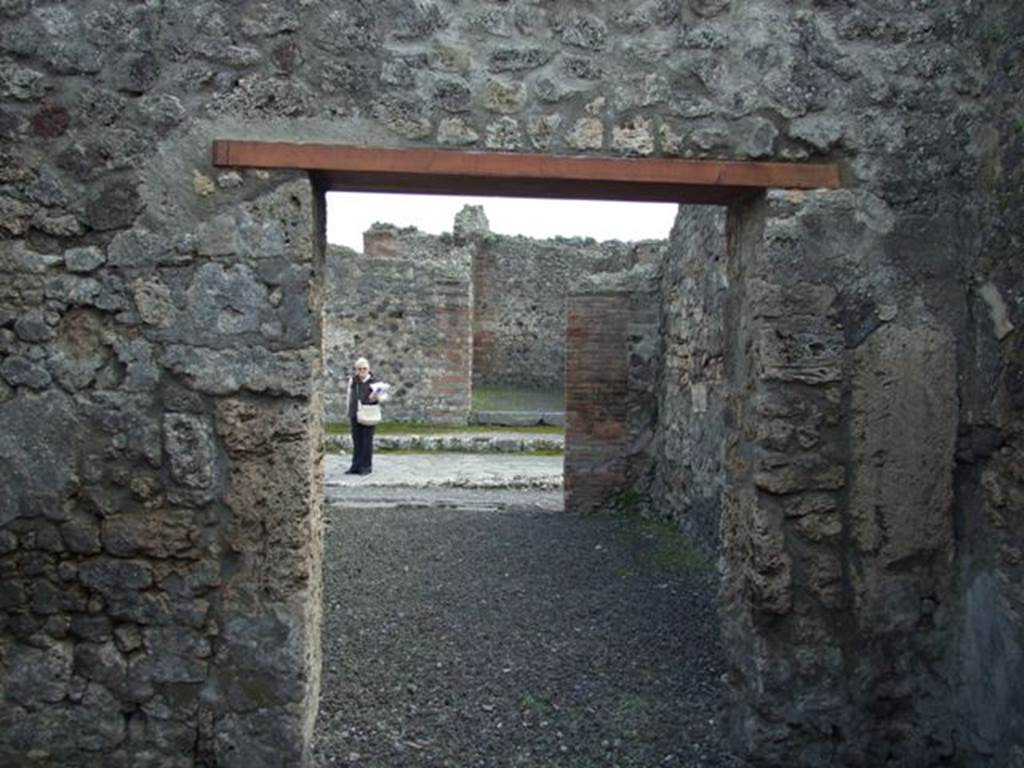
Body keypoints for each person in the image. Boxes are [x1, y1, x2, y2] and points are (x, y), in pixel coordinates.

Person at [346, 357, 380, 475]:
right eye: (359, 369)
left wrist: (375, 397)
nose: (362, 371)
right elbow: (349, 396)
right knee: (357, 440)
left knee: (367, 441)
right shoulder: (353, 381)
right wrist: (349, 411)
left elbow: (382, 398)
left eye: (364, 368)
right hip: (355, 413)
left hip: (369, 414)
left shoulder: (374, 382)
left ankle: (366, 466)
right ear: (356, 370)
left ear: (368, 369)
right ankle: (355, 465)